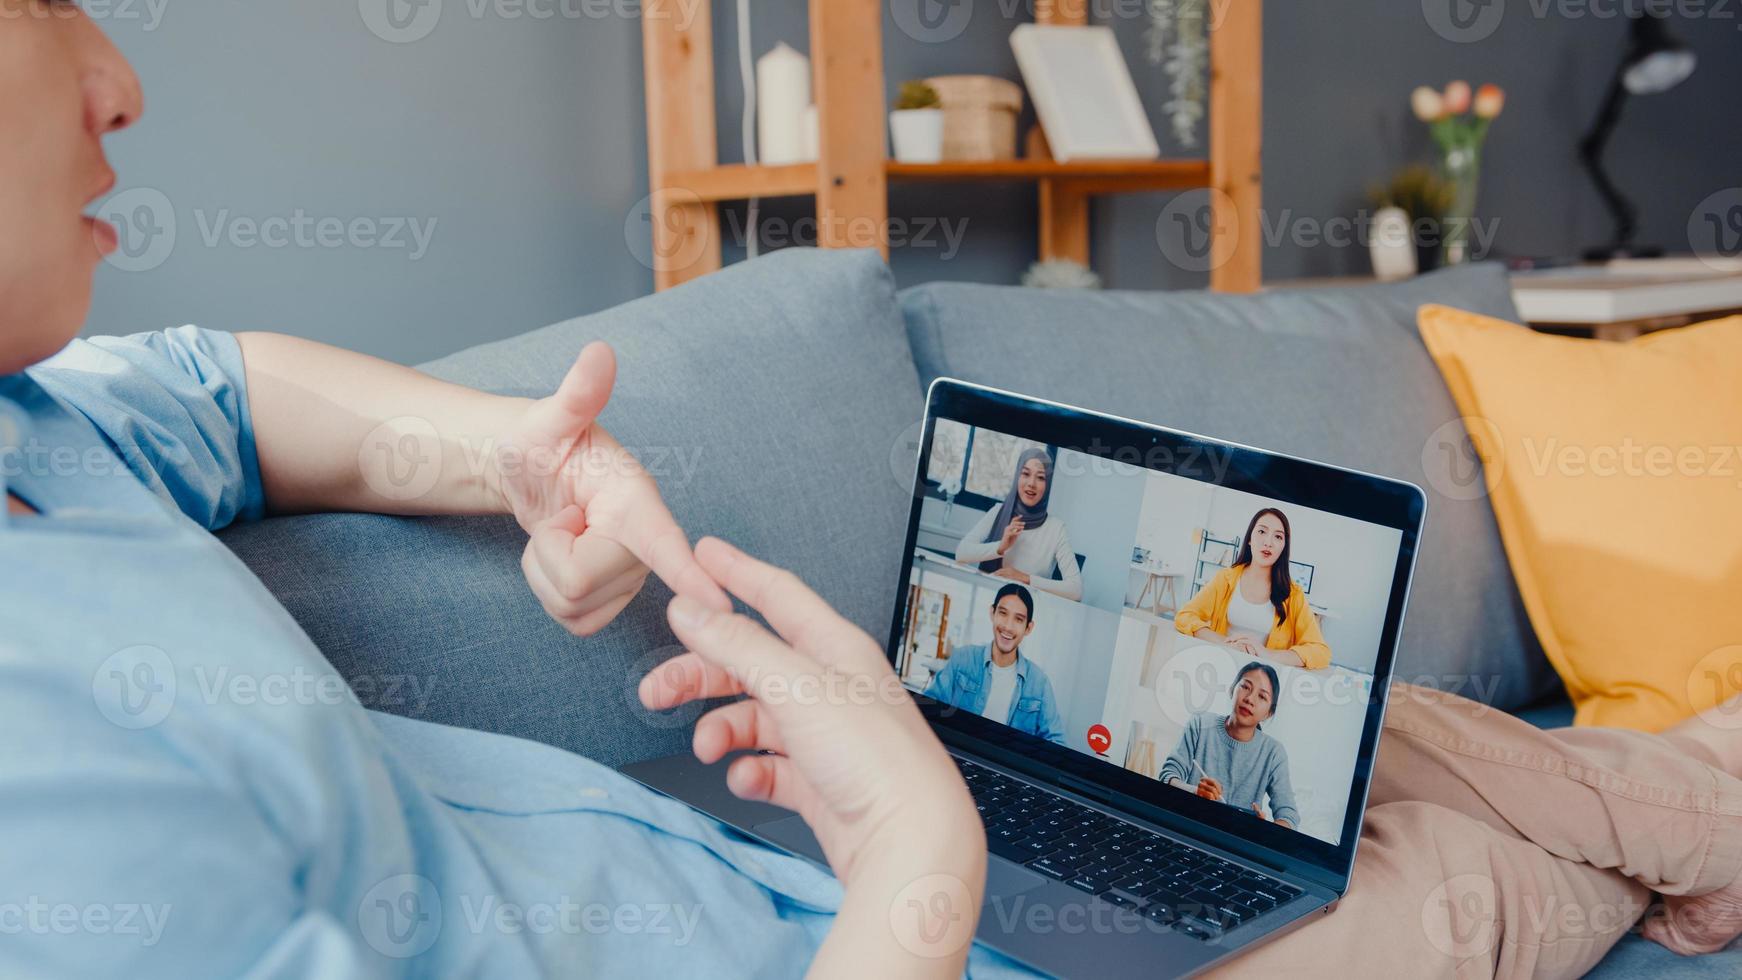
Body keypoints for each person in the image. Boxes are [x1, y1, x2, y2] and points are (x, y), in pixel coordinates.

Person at [7, 9, 1742, 977]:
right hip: (909, 925)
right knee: (1449, 886)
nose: (119, 77)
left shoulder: (38, 433)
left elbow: (216, 389)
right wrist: (919, 848)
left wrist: (513, 452)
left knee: (1386, 744)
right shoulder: (49, 796)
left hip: (885, 881)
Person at [1176, 507, 1332, 670]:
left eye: (1278, 536)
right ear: (1249, 538)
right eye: (1262, 532)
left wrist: (1267, 654)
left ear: (1283, 547)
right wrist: (1225, 644)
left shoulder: (1293, 594)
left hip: (1262, 679)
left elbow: (1320, 652)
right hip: (1220, 664)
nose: (1268, 542)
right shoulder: (1226, 578)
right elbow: (1185, 616)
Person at [1158, 662, 1298, 831]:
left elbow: (1289, 817)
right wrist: (1196, 792)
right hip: (1189, 826)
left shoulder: (1274, 752)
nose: (1249, 699)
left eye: (1262, 697)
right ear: (1232, 690)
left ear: (1269, 713)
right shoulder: (1200, 723)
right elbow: (1168, 777)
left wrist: (1265, 831)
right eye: (1245, 687)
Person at [922, 584, 1067, 745]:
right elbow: (929, 708)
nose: (1008, 626)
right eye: (1003, 613)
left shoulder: (1039, 682)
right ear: (992, 613)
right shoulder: (964, 658)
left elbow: (1056, 742)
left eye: (1018, 619)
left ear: (1028, 628)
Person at [955, 447, 1083, 600]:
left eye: (1040, 477)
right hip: (987, 598)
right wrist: (1000, 547)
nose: (1031, 483)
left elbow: (1076, 590)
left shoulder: (1056, 528)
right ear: (1017, 477)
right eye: (1026, 474)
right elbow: (961, 553)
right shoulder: (998, 511)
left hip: (1027, 610)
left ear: (1047, 485)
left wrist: (1025, 578)